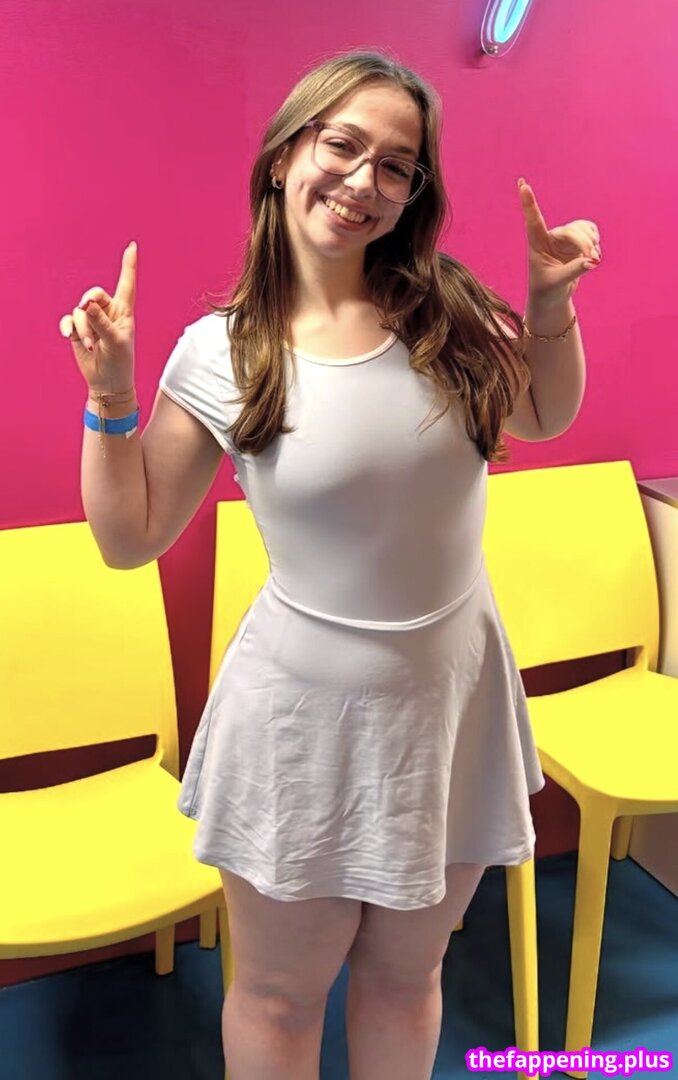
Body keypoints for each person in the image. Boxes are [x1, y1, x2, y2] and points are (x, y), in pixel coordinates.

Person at [60, 47, 598, 1080]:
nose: (363, 181)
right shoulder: (224, 348)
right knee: (278, 996)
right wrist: (110, 398)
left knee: (409, 976)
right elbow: (130, 538)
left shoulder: (445, 308)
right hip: (301, 720)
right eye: (342, 145)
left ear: (414, 193)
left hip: (451, 700)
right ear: (284, 156)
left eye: (396, 165)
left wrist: (548, 307)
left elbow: (543, 410)